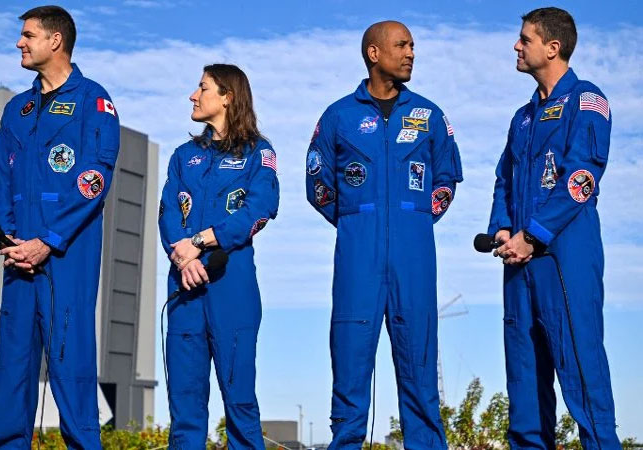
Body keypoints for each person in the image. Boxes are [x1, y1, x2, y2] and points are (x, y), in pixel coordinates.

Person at [306, 21, 462, 449]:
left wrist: (414, 221)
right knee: (350, 372)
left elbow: (446, 180)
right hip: (358, 259)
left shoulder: (429, 115)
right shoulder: (338, 116)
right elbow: (318, 183)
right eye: (401, 45)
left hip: (414, 257)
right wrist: (356, 222)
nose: (411, 52)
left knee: (421, 374)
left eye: (412, 45)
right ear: (374, 53)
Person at [0, 6, 119, 449]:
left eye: (28, 35)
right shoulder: (16, 110)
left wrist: (48, 240)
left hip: (66, 257)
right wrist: (9, 240)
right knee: (13, 367)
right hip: (19, 257)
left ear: (55, 41)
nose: (19, 43)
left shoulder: (93, 102)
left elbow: (95, 179)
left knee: (70, 362)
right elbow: (2, 180)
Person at [489, 7, 621, 449]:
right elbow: (504, 179)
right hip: (518, 262)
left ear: (553, 47)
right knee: (524, 383)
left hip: (565, 256)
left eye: (525, 39)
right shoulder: (522, 118)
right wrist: (503, 229)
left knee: (582, 373)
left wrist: (533, 235)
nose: (516, 45)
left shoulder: (587, 100)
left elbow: (582, 177)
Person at [159, 64, 279, 449]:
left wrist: (201, 241)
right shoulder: (183, 156)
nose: (193, 96)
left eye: (202, 88)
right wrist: (185, 258)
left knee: (239, 402)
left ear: (227, 96)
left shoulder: (259, 152)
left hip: (232, 286)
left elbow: (260, 209)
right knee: (185, 407)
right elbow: (168, 212)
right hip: (185, 288)